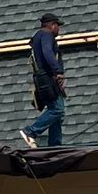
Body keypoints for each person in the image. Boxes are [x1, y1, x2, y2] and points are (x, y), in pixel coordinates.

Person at [18, 10, 67, 150]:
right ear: (51, 25)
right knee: (57, 109)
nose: (59, 29)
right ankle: (30, 132)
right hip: (47, 78)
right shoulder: (46, 35)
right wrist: (57, 71)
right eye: (58, 25)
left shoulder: (37, 38)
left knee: (58, 111)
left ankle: (55, 146)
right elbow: (47, 52)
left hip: (42, 78)